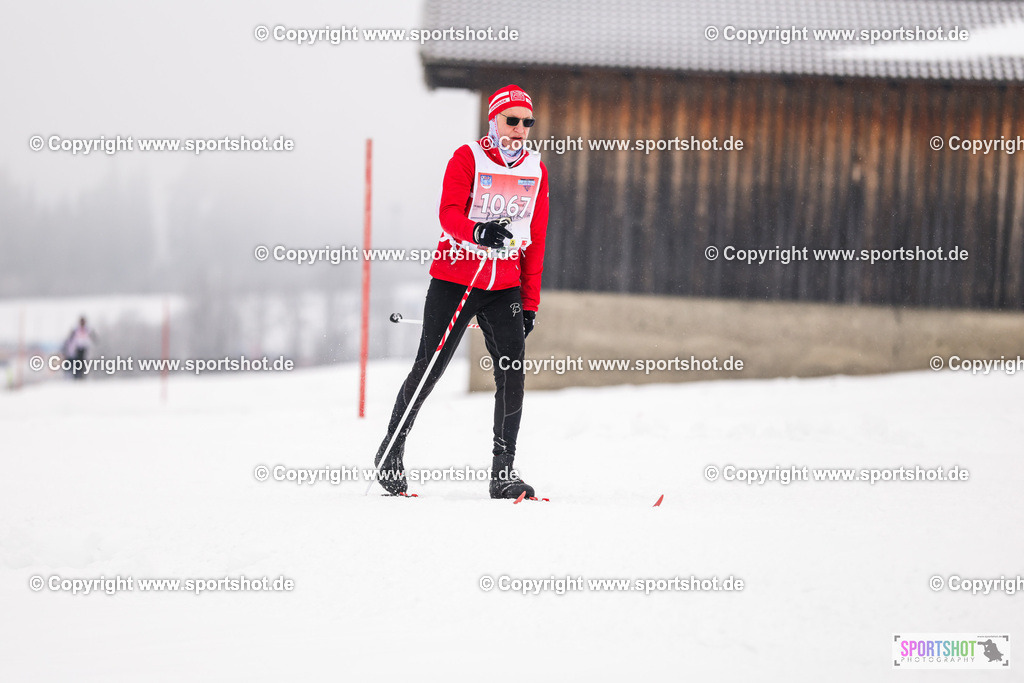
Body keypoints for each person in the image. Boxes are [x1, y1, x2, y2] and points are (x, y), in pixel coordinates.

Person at [374, 84, 550, 499]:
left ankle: (503, 472)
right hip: (456, 277)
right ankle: (391, 450)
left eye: (527, 122)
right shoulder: (467, 157)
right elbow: (448, 212)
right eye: (512, 120)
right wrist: (477, 231)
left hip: (503, 284)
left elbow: (537, 239)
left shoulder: (536, 170)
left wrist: (529, 302)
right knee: (431, 366)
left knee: (512, 372)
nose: (520, 129)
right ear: (494, 121)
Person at [65, 316, 97, 380]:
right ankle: (76, 374)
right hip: (77, 348)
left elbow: (93, 337)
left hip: (84, 347)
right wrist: (70, 348)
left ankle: (82, 374)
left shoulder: (87, 329)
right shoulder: (76, 330)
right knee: (77, 361)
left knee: (83, 361)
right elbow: (71, 338)